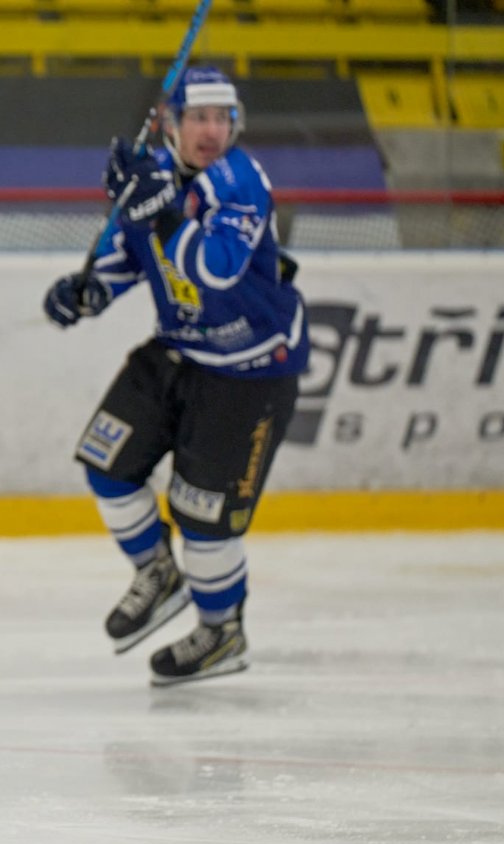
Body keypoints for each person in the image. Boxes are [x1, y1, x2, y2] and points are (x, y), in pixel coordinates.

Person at [43, 67, 309, 687]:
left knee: (203, 520)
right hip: (178, 351)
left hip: (250, 370)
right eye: (198, 118)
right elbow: (125, 256)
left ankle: (222, 631)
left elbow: (215, 267)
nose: (212, 131)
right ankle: (158, 574)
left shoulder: (241, 181)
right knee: (107, 464)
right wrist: (86, 292)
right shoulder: (153, 175)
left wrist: (157, 211)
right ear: (170, 122)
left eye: (222, 119)